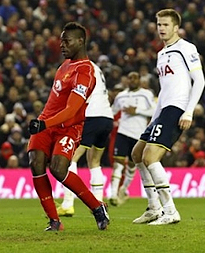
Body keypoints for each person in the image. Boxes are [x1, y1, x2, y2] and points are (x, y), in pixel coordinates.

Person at [27, 22, 109, 231]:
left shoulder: (85, 71)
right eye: (61, 40)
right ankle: (54, 221)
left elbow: (72, 110)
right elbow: (54, 100)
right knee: (35, 162)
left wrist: (45, 123)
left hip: (69, 127)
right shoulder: (64, 66)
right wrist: (43, 121)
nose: (61, 44)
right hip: (48, 122)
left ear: (80, 41)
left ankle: (97, 207)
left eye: (66, 41)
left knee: (58, 168)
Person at [131, 9, 205, 225]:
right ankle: (154, 207)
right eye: (159, 24)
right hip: (164, 109)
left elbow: (199, 80)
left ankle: (170, 211)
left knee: (150, 157)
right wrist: (154, 118)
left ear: (175, 27)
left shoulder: (186, 48)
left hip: (178, 108)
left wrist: (189, 110)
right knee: (137, 154)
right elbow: (164, 91)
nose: (161, 28)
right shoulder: (161, 54)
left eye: (165, 25)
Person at [57, 61, 114, 217]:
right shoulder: (96, 66)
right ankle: (98, 203)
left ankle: (68, 204)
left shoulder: (79, 67)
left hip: (91, 116)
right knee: (94, 161)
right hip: (106, 118)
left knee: (70, 158)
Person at [109, 72, 155, 206]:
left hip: (139, 134)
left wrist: (138, 110)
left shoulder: (146, 94)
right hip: (123, 132)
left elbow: (154, 111)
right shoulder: (121, 95)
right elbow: (112, 110)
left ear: (139, 80)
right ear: (127, 80)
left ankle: (124, 189)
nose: (132, 80)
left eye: (135, 77)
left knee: (132, 164)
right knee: (118, 163)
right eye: (130, 78)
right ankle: (113, 194)